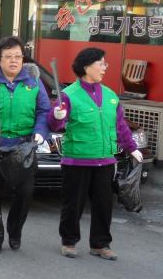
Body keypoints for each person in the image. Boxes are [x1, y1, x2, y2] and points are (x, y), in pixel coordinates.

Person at [50, 47, 142, 261]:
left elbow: (120, 127)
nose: (104, 67)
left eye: (104, 63)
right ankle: (69, 241)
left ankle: (101, 244)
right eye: (101, 63)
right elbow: (55, 124)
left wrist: (132, 148)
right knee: (74, 203)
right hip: (77, 159)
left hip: (105, 160)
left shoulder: (110, 96)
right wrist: (57, 115)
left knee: (103, 204)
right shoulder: (69, 95)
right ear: (86, 67)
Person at [0, 36, 51, 252]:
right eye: (8, 57)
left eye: (18, 56)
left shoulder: (33, 81)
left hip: (23, 148)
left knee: (24, 195)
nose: (14, 61)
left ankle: (15, 233)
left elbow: (44, 110)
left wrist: (40, 132)